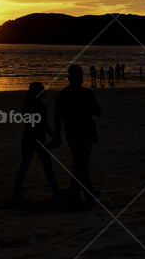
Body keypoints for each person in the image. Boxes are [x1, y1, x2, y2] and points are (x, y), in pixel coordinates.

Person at [54, 64, 101, 206]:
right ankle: (82, 194)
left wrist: (58, 135)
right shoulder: (87, 94)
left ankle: (80, 193)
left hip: (72, 132)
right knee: (81, 163)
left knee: (80, 163)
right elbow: (98, 112)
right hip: (85, 132)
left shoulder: (62, 95)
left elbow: (57, 118)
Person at [12, 82, 61, 203]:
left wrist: (52, 136)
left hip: (29, 138)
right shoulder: (40, 107)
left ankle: (17, 192)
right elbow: (44, 124)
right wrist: (53, 136)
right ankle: (55, 190)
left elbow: (38, 124)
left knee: (25, 165)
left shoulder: (27, 107)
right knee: (45, 166)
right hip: (37, 139)